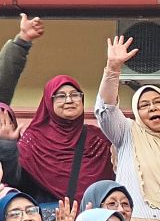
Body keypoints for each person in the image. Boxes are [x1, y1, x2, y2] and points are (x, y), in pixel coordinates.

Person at [95, 36, 160, 221]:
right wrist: (112, 69)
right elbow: (106, 110)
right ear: (137, 113)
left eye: (158, 102)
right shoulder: (127, 133)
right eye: (144, 105)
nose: (153, 107)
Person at [16, 75, 113, 204]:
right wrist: (7, 147)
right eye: (61, 96)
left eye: (75, 95)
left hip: (93, 218)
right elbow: (16, 180)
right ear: (49, 102)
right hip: (51, 220)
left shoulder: (98, 138)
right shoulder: (33, 140)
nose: (69, 100)